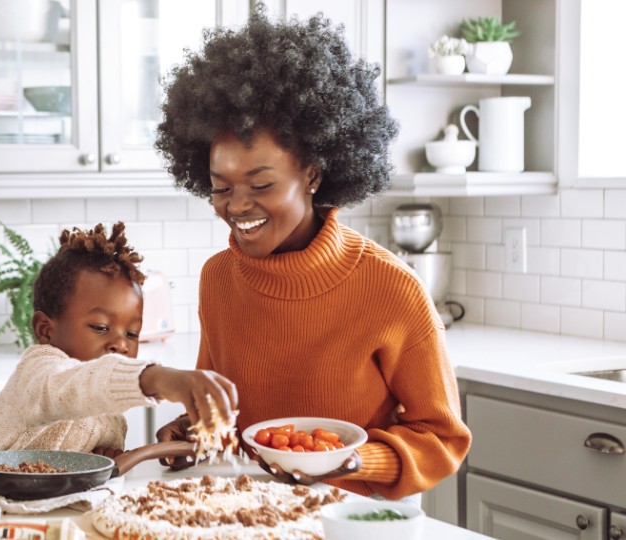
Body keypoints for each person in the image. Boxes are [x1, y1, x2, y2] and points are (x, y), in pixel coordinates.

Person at [153, 9, 472, 500]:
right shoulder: (218, 278)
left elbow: (442, 438)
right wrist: (189, 432)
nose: (237, 206)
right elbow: (224, 416)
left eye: (261, 184)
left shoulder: (391, 288)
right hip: (245, 517)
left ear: (314, 174)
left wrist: (350, 460)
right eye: (220, 187)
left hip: (351, 522)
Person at [0, 223, 237, 462]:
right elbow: (74, 387)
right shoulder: (39, 371)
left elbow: (78, 459)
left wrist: (101, 459)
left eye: (131, 334)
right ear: (45, 330)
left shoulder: (111, 412)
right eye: (101, 327)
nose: (121, 345)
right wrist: (156, 378)